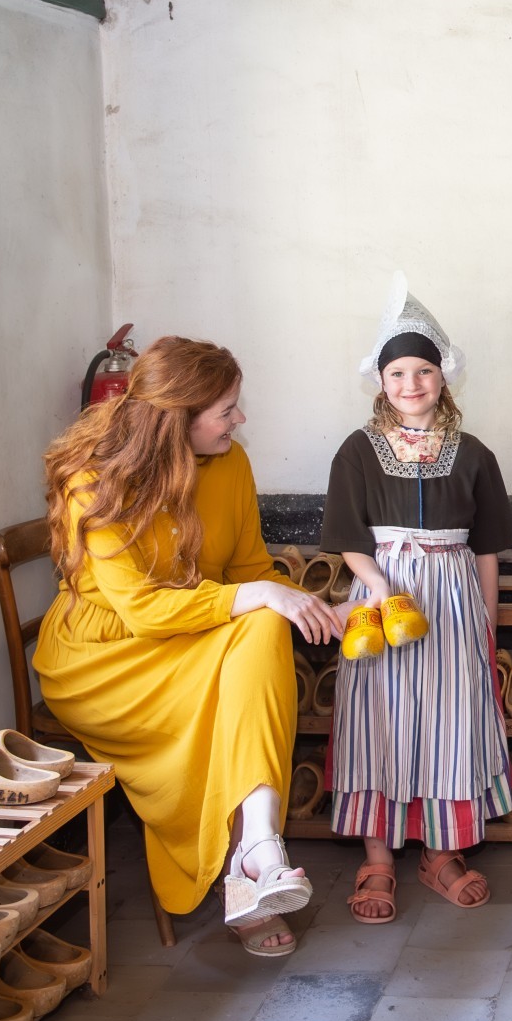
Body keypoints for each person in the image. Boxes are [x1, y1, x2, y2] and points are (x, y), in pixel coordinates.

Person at [36, 337, 343, 958]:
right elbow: (145, 611)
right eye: (226, 410)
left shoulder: (230, 463)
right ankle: (252, 858)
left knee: (259, 630)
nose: (240, 420)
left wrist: (315, 608)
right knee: (251, 639)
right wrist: (261, 597)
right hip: (105, 661)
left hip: (189, 636)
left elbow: (249, 568)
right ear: (176, 420)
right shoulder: (95, 482)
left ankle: (257, 847)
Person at [320, 277, 512, 923]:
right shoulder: (357, 451)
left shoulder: (475, 454)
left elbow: (486, 546)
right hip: (383, 598)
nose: (411, 383)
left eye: (423, 369)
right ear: (380, 380)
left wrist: (487, 620)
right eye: (398, 371)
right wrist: (376, 586)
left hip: (455, 600)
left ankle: (440, 851)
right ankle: (378, 855)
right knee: (380, 714)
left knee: (449, 718)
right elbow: (348, 537)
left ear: (443, 377)